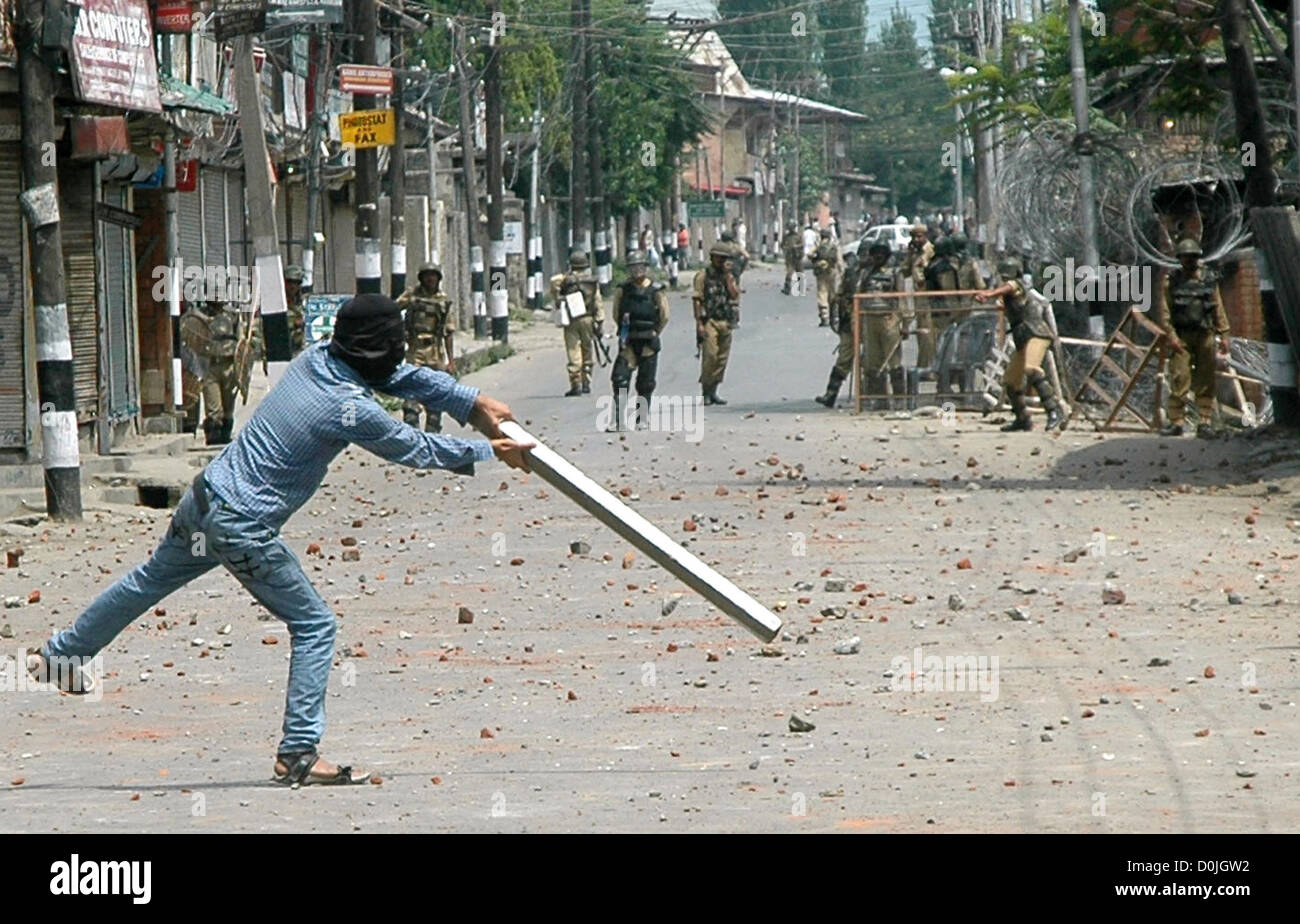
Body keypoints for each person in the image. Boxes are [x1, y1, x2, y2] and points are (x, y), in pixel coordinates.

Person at [27, 293, 533, 785]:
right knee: (315, 625)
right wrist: (492, 450)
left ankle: (60, 656)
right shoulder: (348, 407)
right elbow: (413, 447)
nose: (398, 356)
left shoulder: (317, 358)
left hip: (204, 499)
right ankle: (297, 753)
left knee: (148, 581)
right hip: (241, 526)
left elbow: (401, 377)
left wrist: (472, 401)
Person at [974, 256, 1067, 432]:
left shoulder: (1017, 285)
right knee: (1010, 381)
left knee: (1031, 369)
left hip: (1036, 333)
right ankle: (1022, 419)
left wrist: (988, 294)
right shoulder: (1008, 294)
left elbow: (1009, 287)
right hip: (1023, 337)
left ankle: (1054, 411)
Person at [1155, 238, 1231, 437]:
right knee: (1180, 378)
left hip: (1205, 335)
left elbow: (1218, 308)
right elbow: (1164, 312)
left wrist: (1224, 334)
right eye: (1186, 257)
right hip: (1182, 337)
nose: (1189, 261)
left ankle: (1204, 422)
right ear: (1179, 259)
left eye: (1193, 257)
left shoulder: (1208, 279)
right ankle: (1177, 422)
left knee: (1205, 380)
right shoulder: (1172, 281)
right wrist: (1171, 336)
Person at [817, 242, 895, 409]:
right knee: (845, 357)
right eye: (864, 255)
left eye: (869, 255)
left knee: (872, 360)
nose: (866, 258)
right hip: (849, 322)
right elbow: (839, 296)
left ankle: (873, 396)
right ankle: (831, 394)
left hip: (870, 321)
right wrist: (837, 317)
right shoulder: (852, 273)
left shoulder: (881, 274)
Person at [610, 250, 670, 430]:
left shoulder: (655, 291)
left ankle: (642, 417)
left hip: (648, 342)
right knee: (620, 378)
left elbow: (664, 315)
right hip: (628, 340)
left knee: (646, 382)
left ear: (646, 267)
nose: (637, 271)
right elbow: (616, 313)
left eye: (640, 267)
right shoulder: (623, 290)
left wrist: (654, 332)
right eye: (633, 267)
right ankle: (619, 419)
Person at [397, 263, 456, 432]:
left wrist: (451, 362)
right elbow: (394, 309)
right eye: (427, 276)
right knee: (410, 397)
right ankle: (412, 437)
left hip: (435, 353)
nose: (430, 279)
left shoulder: (443, 301)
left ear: (438, 278)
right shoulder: (412, 295)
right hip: (415, 351)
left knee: (435, 397)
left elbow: (448, 332)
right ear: (421, 278)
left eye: (433, 276)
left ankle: (432, 438)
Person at [181, 299, 248, 446]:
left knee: (228, 408)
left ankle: (225, 438)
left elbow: (242, 342)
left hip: (229, 365)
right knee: (214, 409)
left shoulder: (233, 316)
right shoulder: (198, 316)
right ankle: (213, 439)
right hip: (210, 366)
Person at [550, 249, 603, 396]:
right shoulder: (591, 281)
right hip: (588, 318)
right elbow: (598, 301)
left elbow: (554, 285)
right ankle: (586, 381)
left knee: (573, 351)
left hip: (572, 319)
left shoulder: (566, 279)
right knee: (587, 350)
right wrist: (600, 321)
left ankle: (576, 383)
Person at [694, 242, 740, 406]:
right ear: (713, 257)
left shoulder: (729, 276)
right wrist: (699, 323)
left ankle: (714, 391)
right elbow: (698, 300)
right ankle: (705, 391)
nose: (722, 261)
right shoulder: (703, 276)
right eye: (719, 257)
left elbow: (734, 295)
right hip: (709, 321)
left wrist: (728, 278)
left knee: (722, 358)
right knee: (710, 356)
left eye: (725, 258)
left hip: (725, 320)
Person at [900, 223, 936, 375]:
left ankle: (929, 368)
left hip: (929, 297)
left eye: (919, 236)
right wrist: (909, 255)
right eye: (914, 237)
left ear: (925, 236)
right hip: (918, 297)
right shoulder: (915, 253)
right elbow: (905, 272)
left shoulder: (930, 250)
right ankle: (923, 365)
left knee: (928, 334)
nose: (916, 239)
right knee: (922, 334)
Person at [811, 227, 844, 327]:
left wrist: (816, 259)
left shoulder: (818, 245)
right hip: (833, 271)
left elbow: (809, 254)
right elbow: (839, 260)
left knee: (822, 293)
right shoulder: (834, 245)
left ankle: (824, 316)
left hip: (821, 272)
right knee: (834, 293)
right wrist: (842, 272)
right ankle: (834, 316)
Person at [781, 220, 802, 295]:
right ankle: (787, 288)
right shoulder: (786, 236)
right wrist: (785, 249)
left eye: (792, 227)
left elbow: (802, 245)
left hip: (797, 256)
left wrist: (796, 247)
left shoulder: (798, 236)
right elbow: (782, 245)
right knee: (789, 272)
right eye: (789, 227)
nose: (791, 229)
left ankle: (801, 287)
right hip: (789, 257)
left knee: (799, 272)